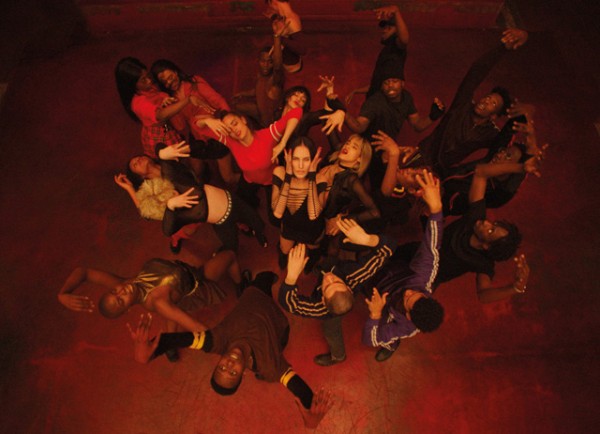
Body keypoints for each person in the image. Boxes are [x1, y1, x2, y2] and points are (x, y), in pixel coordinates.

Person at [128, 282, 334, 429]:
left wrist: (147, 355)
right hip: (278, 326)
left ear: (218, 361)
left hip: (254, 292)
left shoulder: (216, 341)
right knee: (274, 354)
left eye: (222, 367)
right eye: (233, 372)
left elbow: (177, 340)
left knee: (264, 279)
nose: (229, 364)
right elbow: (298, 387)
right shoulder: (270, 366)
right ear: (243, 373)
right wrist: (310, 415)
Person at [58, 252, 246, 360]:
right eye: (121, 300)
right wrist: (230, 353)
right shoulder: (159, 302)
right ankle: (241, 286)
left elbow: (83, 272)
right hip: (197, 283)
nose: (121, 291)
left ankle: (170, 348)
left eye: (115, 291)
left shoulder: (124, 284)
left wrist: (63, 293)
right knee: (230, 255)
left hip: (181, 282)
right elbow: (199, 329)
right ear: (128, 309)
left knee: (171, 317)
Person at [278, 219, 396, 366]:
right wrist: (368, 239)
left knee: (331, 332)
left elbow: (290, 304)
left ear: (322, 300)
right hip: (335, 263)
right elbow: (387, 250)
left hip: (329, 313)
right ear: (348, 288)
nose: (329, 278)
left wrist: (291, 276)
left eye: (327, 286)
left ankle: (338, 356)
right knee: (330, 258)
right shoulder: (355, 276)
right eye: (337, 282)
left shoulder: (319, 308)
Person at [115, 141, 267, 253]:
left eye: (138, 157)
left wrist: (161, 154)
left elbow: (160, 147)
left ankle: (242, 225)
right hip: (189, 214)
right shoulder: (150, 188)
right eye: (135, 165)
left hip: (205, 197)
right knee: (187, 231)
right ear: (139, 176)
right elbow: (146, 212)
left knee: (235, 213)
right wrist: (130, 188)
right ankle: (177, 239)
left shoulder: (168, 159)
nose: (138, 160)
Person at [416, 28, 529, 178]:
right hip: (421, 155)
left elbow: (506, 142)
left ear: (494, 116)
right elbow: (475, 72)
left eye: (493, 104)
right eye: (488, 97)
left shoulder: (490, 134)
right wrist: (501, 49)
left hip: (439, 172)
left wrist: (525, 113)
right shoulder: (462, 106)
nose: (486, 101)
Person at [431, 146, 539, 303]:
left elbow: (484, 294)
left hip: (426, 278)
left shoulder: (482, 263)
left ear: (486, 246)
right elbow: (481, 172)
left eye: (490, 231)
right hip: (415, 251)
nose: (486, 223)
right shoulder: (476, 217)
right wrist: (521, 168)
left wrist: (515, 288)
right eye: (493, 224)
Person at [362, 170, 444, 362]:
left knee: (387, 340)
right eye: (415, 293)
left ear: (407, 316)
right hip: (385, 274)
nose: (408, 292)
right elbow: (432, 246)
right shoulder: (422, 279)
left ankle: (391, 346)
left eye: (408, 299)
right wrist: (436, 209)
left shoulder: (404, 327)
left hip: (378, 301)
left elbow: (370, 339)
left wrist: (375, 314)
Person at [341, 58, 445, 191]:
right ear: (381, 86)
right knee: (357, 185)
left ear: (402, 83)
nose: (390, 86)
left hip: (387, 149)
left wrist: (433, 116)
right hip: (366, 149)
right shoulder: (374, 102)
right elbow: (359, 127)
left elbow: (417, 125)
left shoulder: (407, 98)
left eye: (394, 81)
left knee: (381, 188)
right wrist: (341, 111)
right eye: (386, 82)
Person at [150, 59, 238, 184]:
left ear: (175, 71)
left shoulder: (194, 82)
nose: (169, 82)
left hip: (216, 132)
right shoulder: (171, 100)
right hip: (197, 137)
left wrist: (228, 120)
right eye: (164, 82)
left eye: (171, 77)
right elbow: (180, 126)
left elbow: (218, 101)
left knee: (228, 178)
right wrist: (171, 108)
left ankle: (251, 182)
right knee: (196, 174)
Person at [219, 107, 301, 213]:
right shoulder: (231, 142)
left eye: (234, 123)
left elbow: (297, 111)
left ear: (243, 120)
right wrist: (208, 121)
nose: (234, 130)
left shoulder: (268, 135)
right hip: (249, 179)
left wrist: (282, 142)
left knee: (275, 213)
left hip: (271, 181)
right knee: (241, 204)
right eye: (229, 130)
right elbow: (200, 126)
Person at [115, 57, 192, 158]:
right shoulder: (138, 103)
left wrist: (164, 100)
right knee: (178, 156)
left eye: (148, 75)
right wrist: (188, 100)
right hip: (161, 135)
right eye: (143, 80)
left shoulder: (148, 87)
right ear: (131, 85)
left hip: (169, 126)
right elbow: (160, 115)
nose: (149, 81)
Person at [318, 134, 380, 253]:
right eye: (347, 142)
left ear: (359, 158)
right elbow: (330, 130)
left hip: (325, 228)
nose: (347, 146)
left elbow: (375, 212)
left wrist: (343, 219)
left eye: (354, 147)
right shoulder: (332, 162)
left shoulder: (352, 180)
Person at [271, 137, 327, 269]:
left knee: (313, 253)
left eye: (306, 159)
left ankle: (311, 263)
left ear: (313, 160)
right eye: (296, 159)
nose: (301, 166)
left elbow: (313, 215)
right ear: (289, 159)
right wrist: (288, 176)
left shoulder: (320, 179)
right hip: (289, 226)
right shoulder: (280, 172)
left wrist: (312, 176)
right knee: (284, 251)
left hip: (311, 229)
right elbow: (277, 213)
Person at [346, 4, 410, 104]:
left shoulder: (396, 46)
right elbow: (377, 84)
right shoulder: (386, 50)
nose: (384, 30)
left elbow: (404, 39)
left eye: (389, 28)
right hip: (374, 102)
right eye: (384, 28)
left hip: (382, 106)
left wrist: (396, 12)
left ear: (397, 30)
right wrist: (357, 91)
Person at [232, 33, 284, 127]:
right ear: (259, 61)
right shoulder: (261, 76)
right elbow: (258, 90)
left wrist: (277, 38)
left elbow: (278, 67)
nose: (266, 65)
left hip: (270, 125)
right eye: (263, 61)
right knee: (236, 107)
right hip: (260, 115)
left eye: (270, 62)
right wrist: (242, 94)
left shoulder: (275, 79)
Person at [266, 0, 306, 73]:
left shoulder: (290, 20)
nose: (270, 8)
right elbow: (302, 48)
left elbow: (302, 49)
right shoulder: (288, 19)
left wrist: (280, 38)